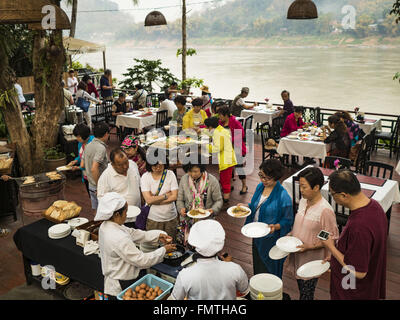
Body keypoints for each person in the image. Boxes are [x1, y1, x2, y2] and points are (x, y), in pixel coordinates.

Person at [321, 169, 387, 300]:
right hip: (369, 283)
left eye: (332, 194)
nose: (332, 198)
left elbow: (359, 271)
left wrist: (332, 248)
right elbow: (360, 249)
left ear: (344, 195)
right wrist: (338, 256)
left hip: (352, 290)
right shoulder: (375, 205)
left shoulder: (359, 226)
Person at [95, 192, 176, 297]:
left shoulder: (106, 226)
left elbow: (133, 233)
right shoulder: (118, 238)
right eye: (125, 212)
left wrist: (157, 236)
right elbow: (142, 261)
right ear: (116, 214)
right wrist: (164, 250)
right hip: (123, 281)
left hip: (119, 275)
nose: (127, 215)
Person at [285, 167, 339, 300]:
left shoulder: (325, 210)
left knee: (306, 293)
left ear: (316, 187)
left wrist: (309, 246)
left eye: (304, 187)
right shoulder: (303, 201)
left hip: (311, 259)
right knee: (301, 288)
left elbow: (330, 238)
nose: (300, 190)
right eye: (299, 186)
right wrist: (291, 234)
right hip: (298, 253)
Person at [239, 159, 293, 279]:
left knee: (269, 267)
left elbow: (288, 221)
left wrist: (276, 226)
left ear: (276, 177)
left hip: (271, 238)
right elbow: (256, 205)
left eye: (267, 178)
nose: (263, 180)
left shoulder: (283, 196)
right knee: (257, 263)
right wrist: (246, 207)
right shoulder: (260, 187)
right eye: (261, 176)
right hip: (256, 233)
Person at [171, 220, 249, 300]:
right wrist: (228, 265)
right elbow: (244, 291)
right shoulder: (235, 269)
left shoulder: (185, 275)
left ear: (194, 245)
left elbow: (176, 298)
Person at [176, 157, 223, 246]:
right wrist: (181, 208)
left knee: (204, 245)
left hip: (205, 220)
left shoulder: (212, 181)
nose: (192, 174)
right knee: (189, 245)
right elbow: (180, 199)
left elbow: (219, 200)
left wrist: (213, 210)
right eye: (190, 171)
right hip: (187, 220)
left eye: (195, 171)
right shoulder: (184, 179)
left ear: (201, 169)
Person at [97, 148, 141, 226]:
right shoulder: (105, 177)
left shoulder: (132, 164)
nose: (125, 167)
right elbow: (102, 199)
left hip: (138, 213)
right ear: (112, 164)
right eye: (120, 165)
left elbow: (138, 183)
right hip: (122, 220)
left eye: (126, 162)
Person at [140, 156, 179, 240]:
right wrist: (165, 196)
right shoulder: (145, 177)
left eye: (161, 165)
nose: (158, 168)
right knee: (154, 243)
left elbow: (174, 196)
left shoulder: (170, 174)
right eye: (155, 166)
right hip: (154, 218)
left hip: (170, 217)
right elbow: (148, 200)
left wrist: (155, 199)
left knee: (171, 242)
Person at [204, 117, 237, 204]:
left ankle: (226, 201)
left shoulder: (217, 134)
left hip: (225, 160)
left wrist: (206, 146)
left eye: (207, 127)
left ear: (211, 127)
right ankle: (225, 195)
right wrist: (202, 131)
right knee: (225, 179)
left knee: (224, 181)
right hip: (230, 158)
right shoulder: (221, 129)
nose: (207, 129)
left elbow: (217, 148)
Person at [217, 105, 248, 194]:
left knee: (239, 168)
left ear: (226, 115)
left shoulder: (235, 122)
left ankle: (244, 185)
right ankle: (228, 185)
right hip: (226, 150)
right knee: (227, 168)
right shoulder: (220, 123)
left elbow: (240, 135)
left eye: (220, 115)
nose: (219, 117)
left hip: (237, 148)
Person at [84, 122, 110, 211]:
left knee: (96, 210)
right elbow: (94, 168)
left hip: (90, 184)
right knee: (105, 211)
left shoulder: (88, 145)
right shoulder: (101, 148)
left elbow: (83, 164)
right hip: (98, 185)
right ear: (106, 134)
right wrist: (99, 186)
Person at [67, 123, 94, 196]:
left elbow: (92, 163)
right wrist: (75, 160)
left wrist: (78, 168)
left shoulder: (93, 143)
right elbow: (81, 156)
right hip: (86, 175)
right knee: (91, 195)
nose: (77, 138)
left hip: (94, 176)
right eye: (76, 136)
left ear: (84, 135)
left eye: (78, 136)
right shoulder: (80, 143)